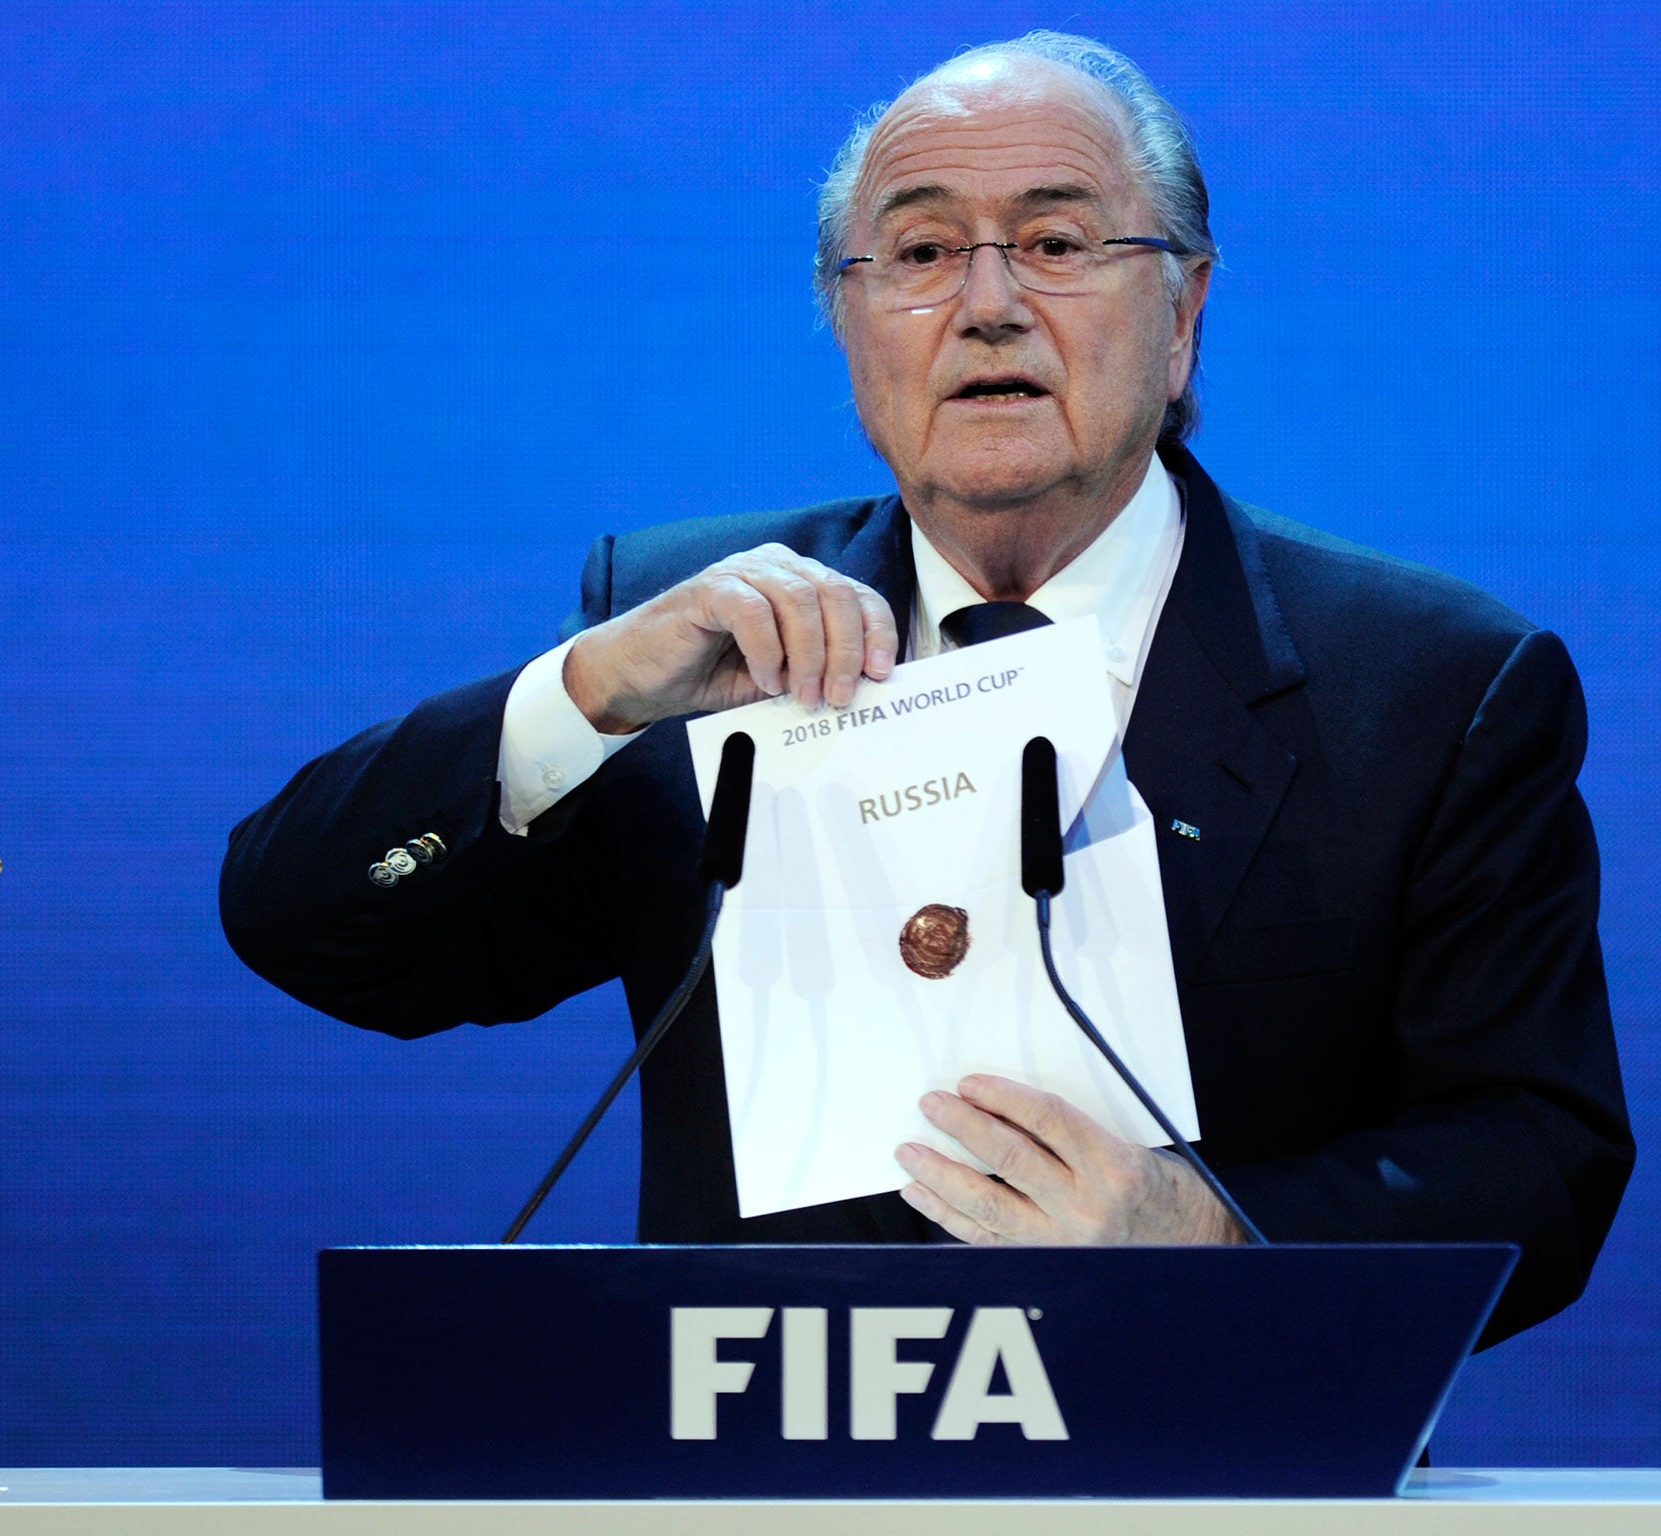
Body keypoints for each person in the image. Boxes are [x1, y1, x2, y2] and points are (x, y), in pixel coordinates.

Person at [221, 32, 1632, 1343]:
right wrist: (581, 700)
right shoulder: (691, 645)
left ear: (1187, 306)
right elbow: (314, 933)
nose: (989, 305)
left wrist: (1212, 1235)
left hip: (1211, 1470)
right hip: (768, 1462)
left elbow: (1538, 1154)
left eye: (1059, 242)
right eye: (920, 252)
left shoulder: (1430, 686)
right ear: (848, 323)